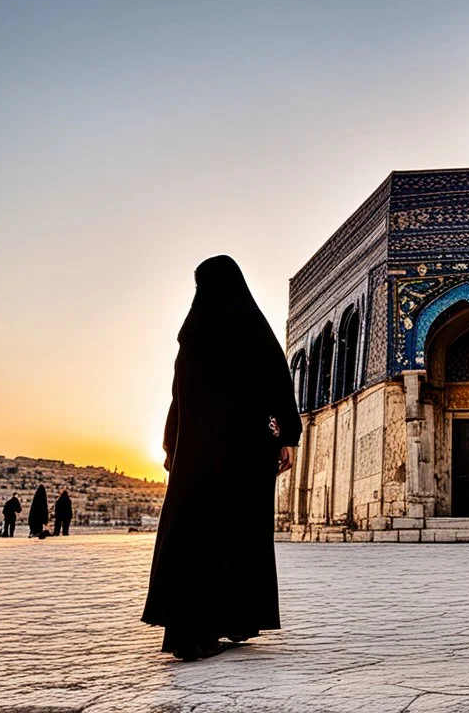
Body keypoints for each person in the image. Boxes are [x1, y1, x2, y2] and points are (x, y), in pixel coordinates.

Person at [142, 255, 300, 662]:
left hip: (195, 452)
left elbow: (180, 393)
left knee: (195, 532)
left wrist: (171, 445)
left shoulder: (191, 330)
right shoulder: (249, 321)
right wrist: (287, 434)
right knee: (236, 531)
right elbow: (275, 377)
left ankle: (192, 629)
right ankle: (223, 621)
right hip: (244, 447)